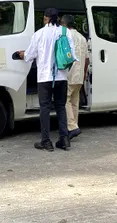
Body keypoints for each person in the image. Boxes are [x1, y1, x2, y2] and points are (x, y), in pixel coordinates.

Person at [13, 8, 77, 152]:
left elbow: (29, 56)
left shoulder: (39, 34)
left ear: (45, 18)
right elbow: (72, 55)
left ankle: (46, 142)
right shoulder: (66, 33)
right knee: (61, 107)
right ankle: (64, 140)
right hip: (61, 77)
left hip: (44, 78)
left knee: (45, 108)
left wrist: (21, 55)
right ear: (58, 18)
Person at [61, 15, 89, 140]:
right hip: (79, 75)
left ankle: (72, 127)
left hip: (69, 74)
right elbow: (87, 59)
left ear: (63, 24)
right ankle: (73, 126)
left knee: (65, 100)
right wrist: (84, 73)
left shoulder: (65, 36)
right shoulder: (82, 38)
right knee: (74, 102)